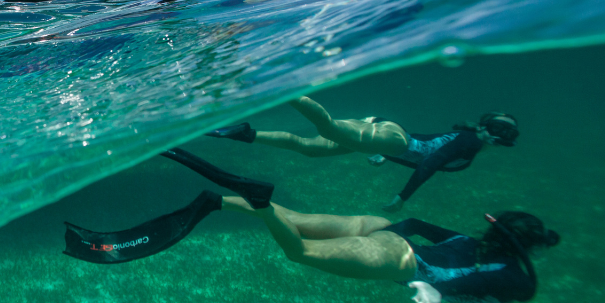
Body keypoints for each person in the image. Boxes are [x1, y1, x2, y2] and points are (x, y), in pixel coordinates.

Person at [64, 148, 559, 303]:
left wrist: (397, 230)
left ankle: (215, 198)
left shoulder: (486, 246)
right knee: (297, 249)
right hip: (403, 260)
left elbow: (429, 228)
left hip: (390, 232)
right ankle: (254, 197)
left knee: (292, 218)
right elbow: (475, 282)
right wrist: (430, 284)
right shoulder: (522, 280)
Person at [208, 96, 519, 212]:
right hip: (394, 141)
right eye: (505, 137)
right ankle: (282, 89)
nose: (502, 144)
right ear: (494, 135)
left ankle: (244, 133)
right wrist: (402, 197)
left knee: (309, 149)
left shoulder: (468, 139)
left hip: (392, 139)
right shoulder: (473, 144)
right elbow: (431, 161)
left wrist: (385, 153)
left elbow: (427, 143)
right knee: (328, 128)